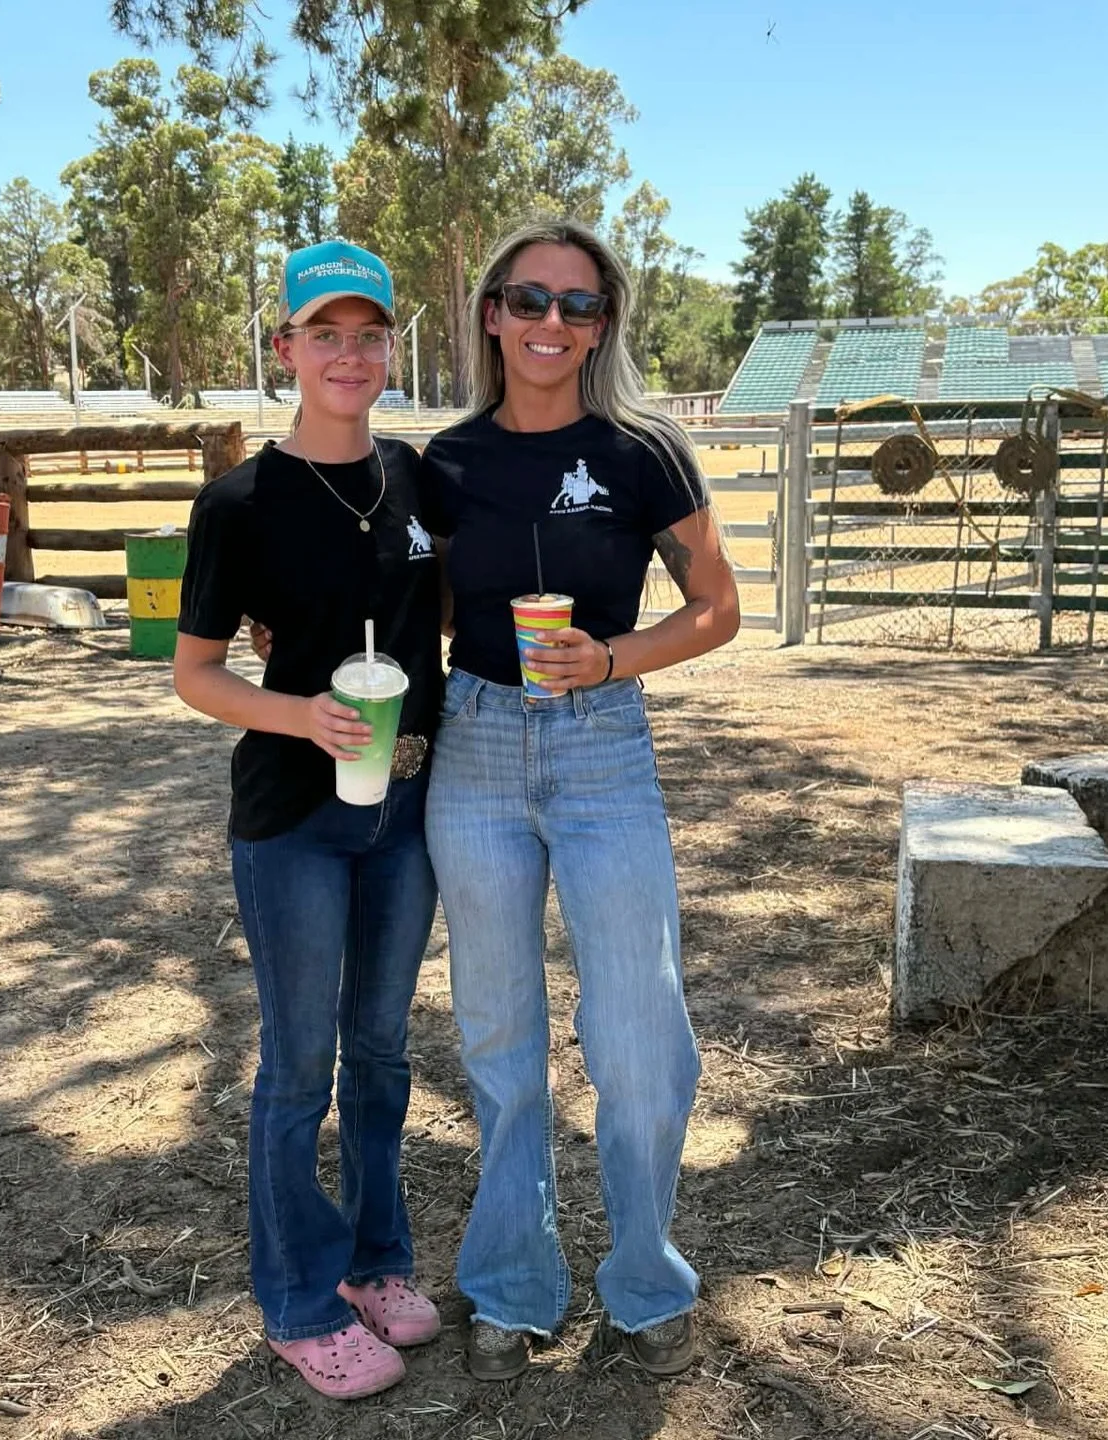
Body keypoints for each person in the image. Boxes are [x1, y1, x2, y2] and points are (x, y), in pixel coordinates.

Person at [418, 218, 741, 1381]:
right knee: (500, 1037)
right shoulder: (441, 463)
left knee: (641, 1036)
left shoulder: (645, 449)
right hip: (478, 747)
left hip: (605, 747)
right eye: (530, 300)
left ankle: (646, 1281)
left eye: (580, 305)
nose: (554, 323)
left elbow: (716, 605)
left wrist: (611, 661)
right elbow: (431, 617)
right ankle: (512, 1282)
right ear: (492, 314)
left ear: (604, 325)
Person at [173, 241, 444, 1401]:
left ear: (392, 348)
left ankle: (377, 1262)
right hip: (293, 817)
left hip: (413, 810)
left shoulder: (418, 475)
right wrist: (301, 713)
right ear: (284, 350)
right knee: (299, 1066)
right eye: (322, 334)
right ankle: (295, 1298)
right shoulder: (239, 501)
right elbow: (194, 674)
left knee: (383, 1051)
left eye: (367, 333)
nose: (348, 354)